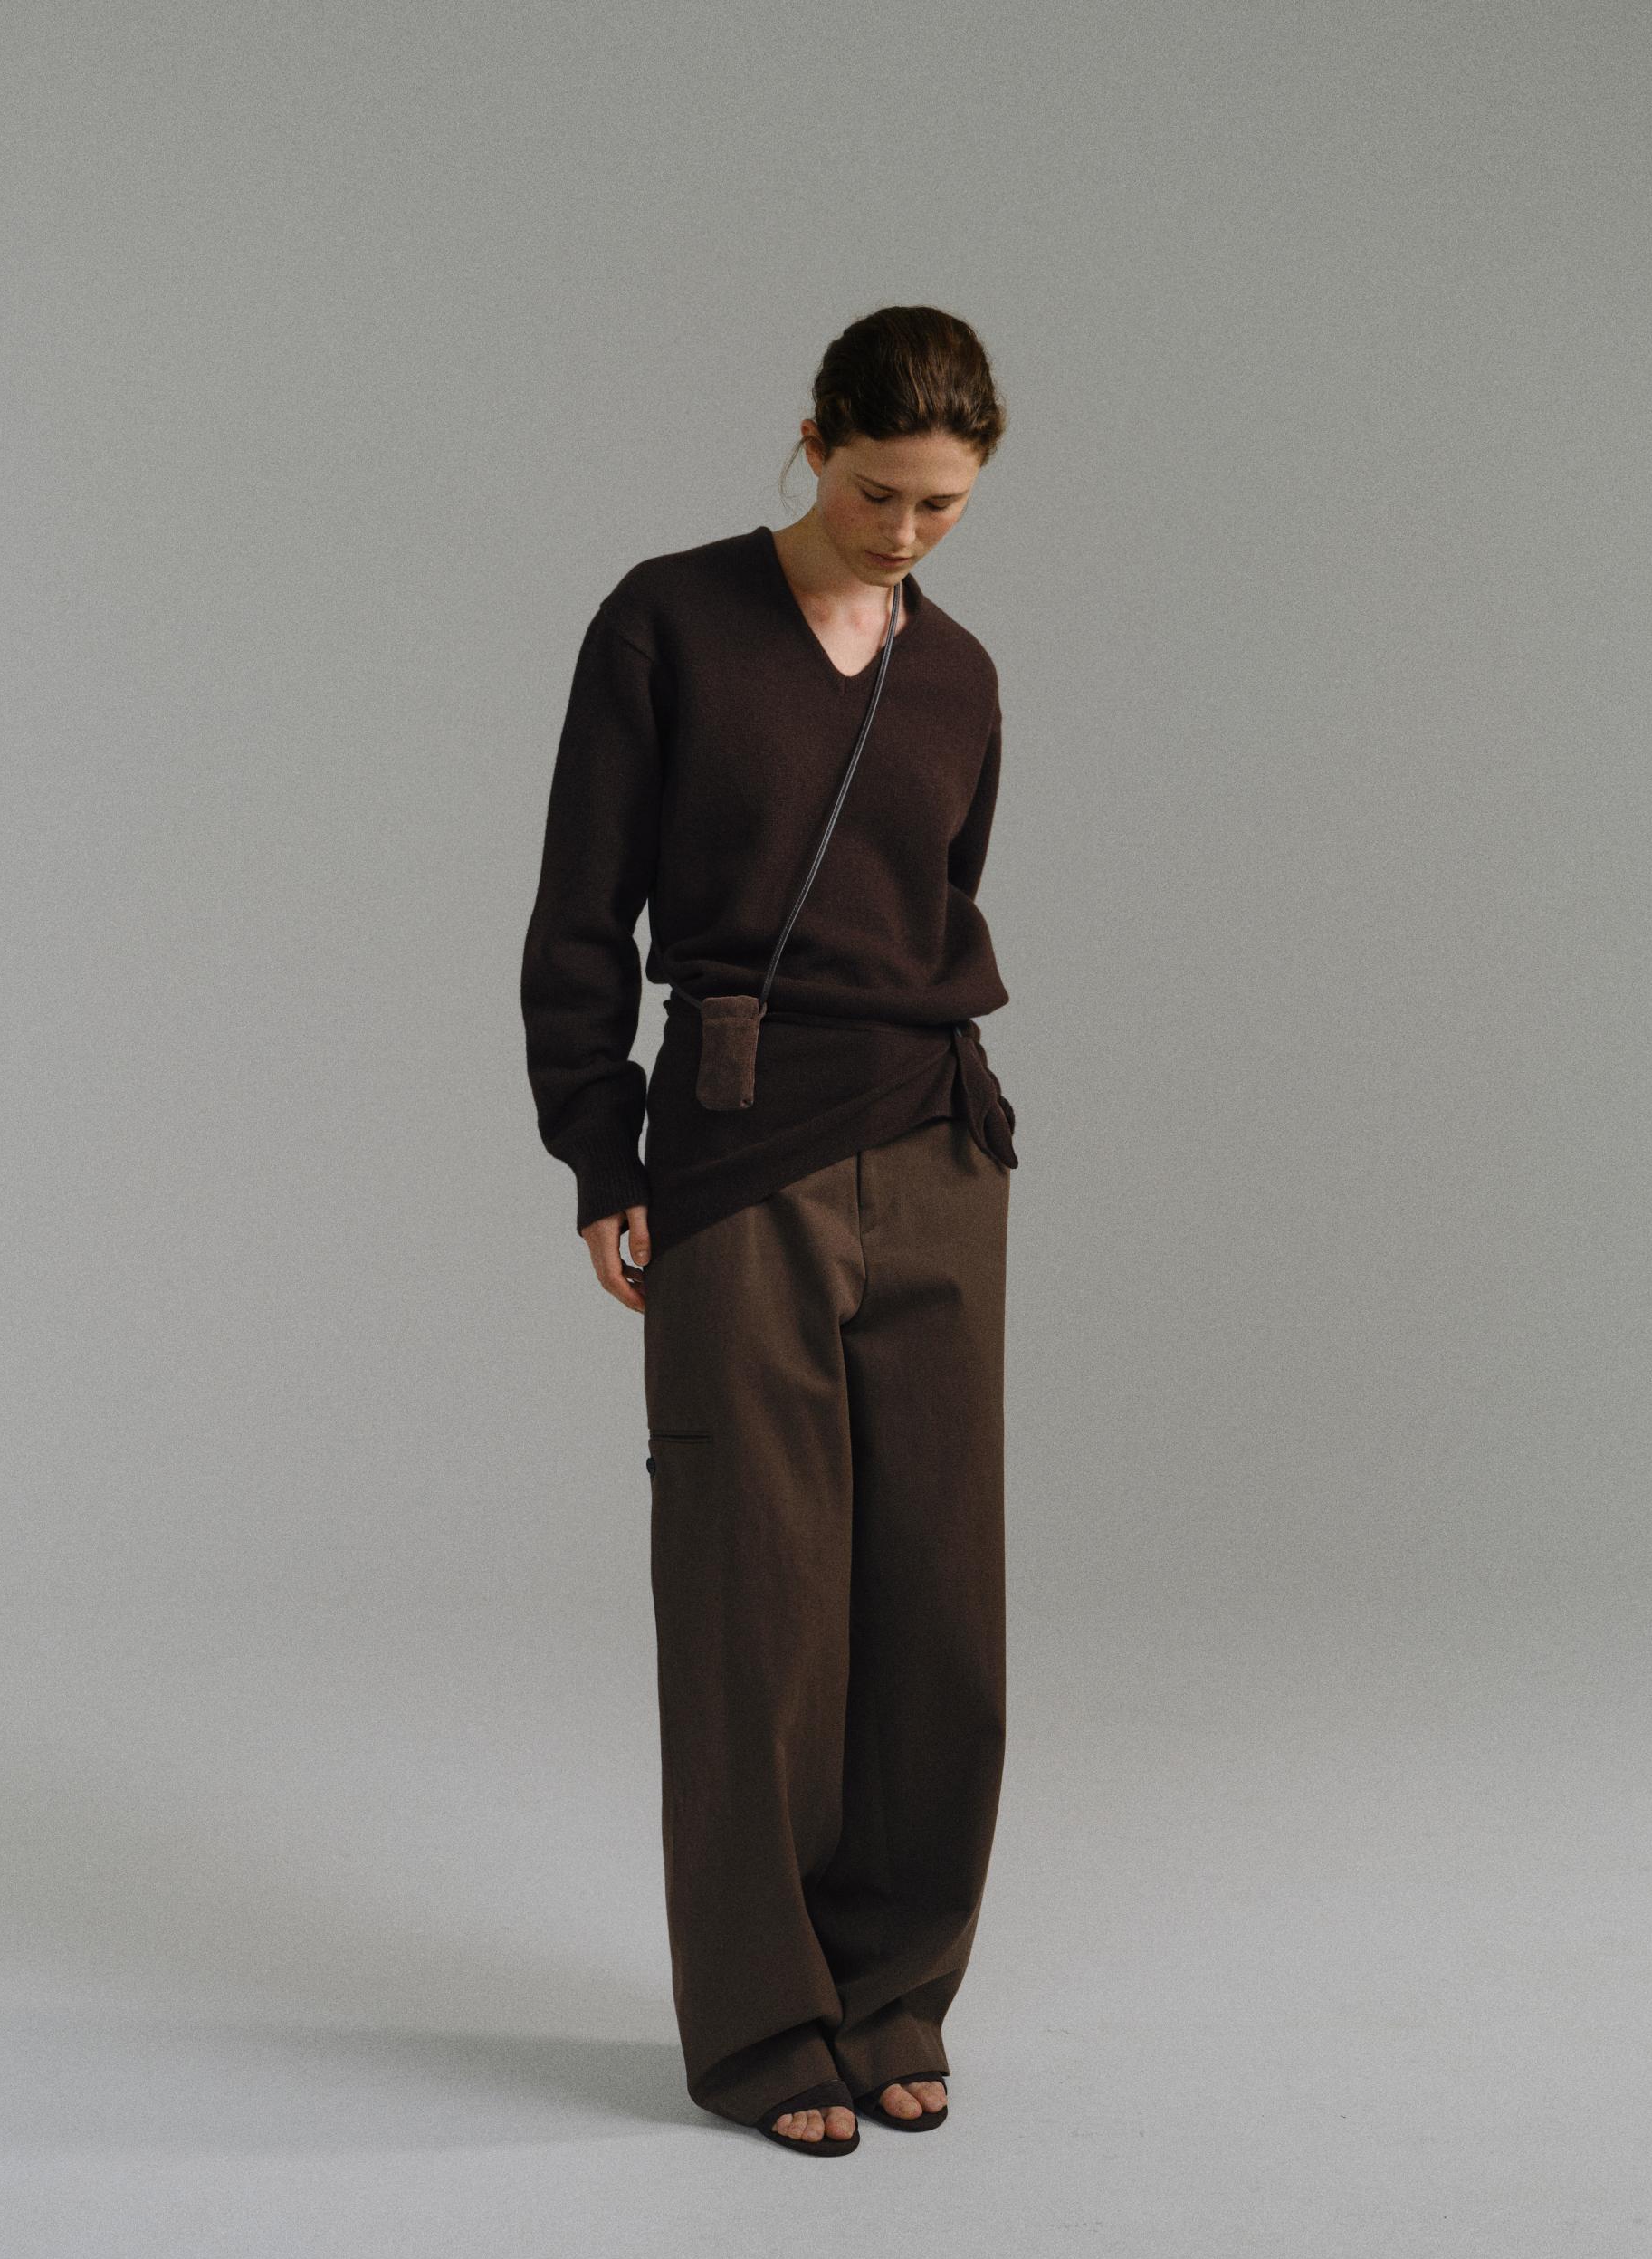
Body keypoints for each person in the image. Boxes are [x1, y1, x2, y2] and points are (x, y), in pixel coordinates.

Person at [520, 304, 1019, 2155]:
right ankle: (761, 2023)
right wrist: (603, 1152)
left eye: (944, 505)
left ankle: (896, 1994)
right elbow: (582, 912)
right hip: (736, 1154)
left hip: (939, 1150)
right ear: (813, 439)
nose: (906, 531)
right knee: (760, 1603)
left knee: (940, 1613)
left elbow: (937, 910)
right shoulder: (667, 624)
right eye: (879, 491)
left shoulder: (959, 677)